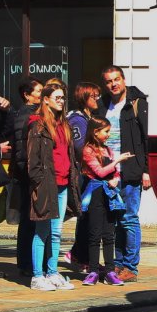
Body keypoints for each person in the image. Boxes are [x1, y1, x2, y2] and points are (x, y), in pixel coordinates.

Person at [94, 66, 148, 282]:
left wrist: (147, 171)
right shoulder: (102, 106)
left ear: (124, 80)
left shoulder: (137, 104)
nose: (113, 84)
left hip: (132, 170)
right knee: (115, 219)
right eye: (109, 81)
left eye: (117, 79)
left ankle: (131, 267)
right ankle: (117, 265)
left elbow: (146, 139)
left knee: (129, 218)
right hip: (109, 171)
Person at [27, 83, 80, 291]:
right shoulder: (37, 125)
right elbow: (33, 161)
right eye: (57, 97)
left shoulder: (64, 124)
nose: (61, 101)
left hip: (63, 184)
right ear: (46, 100)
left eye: (62, 97)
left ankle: (52, 272)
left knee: (56, 232)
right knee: (42, 231)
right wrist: (38, 184)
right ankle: (37, 276)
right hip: (46, 184)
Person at [81, 117, 133, 286]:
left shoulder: (108, 150)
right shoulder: (88, 150)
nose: (108, 135)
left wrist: (116, 179)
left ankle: (110, 270)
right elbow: (100, 172)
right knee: (95, 234)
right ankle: (93, 271)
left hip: (109, 194)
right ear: (95, 132)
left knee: (109, 234)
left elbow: (114, 172)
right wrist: (117, 161)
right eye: (106, 131)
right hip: (95, 193)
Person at [64, 82, 102, 271]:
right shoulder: (78, 119)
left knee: (87, 216)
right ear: (84, 98)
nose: (97, 99)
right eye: (94, 96)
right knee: (85, 215)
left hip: (89, 172)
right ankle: (79, 256)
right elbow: (79, 146)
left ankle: (78, 254)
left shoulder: (89, 117)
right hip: (81, 172)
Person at [10, 77, 42, 276]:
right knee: (29, 220)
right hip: (27, 177)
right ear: (27, 95)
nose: (41, 94)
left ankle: (26, 263)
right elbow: (22, 150)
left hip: (27, 175)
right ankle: (26, 263)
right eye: (38, 91)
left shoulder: (31, 113)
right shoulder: (26, 115)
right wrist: (30, 174)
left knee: (29, 220)